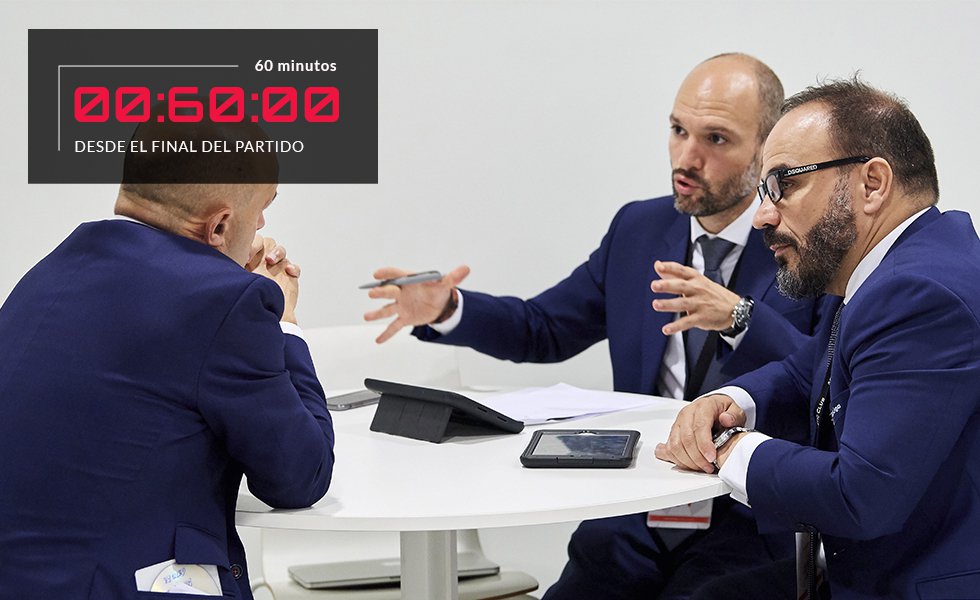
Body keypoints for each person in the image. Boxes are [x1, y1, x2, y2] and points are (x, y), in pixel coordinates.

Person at [365, 53, 825, 600]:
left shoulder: (805, 244)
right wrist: (448, 308)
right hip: (631, 513)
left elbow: (825, 381)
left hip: (747, 525)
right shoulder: (639, 228)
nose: (687, 156)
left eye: (716, 139)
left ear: (767, 150)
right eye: (678, 131)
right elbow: (544, 327)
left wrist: (741, 320)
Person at [656, 78, 980, 599]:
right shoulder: (881, 267)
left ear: (872, 184)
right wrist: (730, 401)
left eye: (784, 183)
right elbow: (808, 369)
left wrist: (730, 449)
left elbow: (861, 494)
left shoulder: (921, 294)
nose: (762, 215)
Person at [0, 115, 336, 599]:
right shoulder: (226, 302)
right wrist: (284, 321)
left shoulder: (53, 269)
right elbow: (301, 476)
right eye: (262, 208)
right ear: (219, 225)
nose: (261, 224)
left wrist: (218, 274)